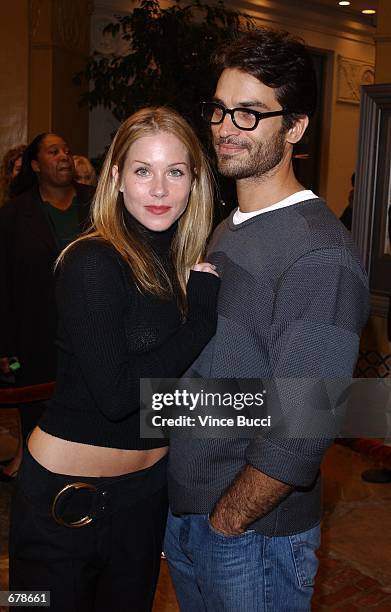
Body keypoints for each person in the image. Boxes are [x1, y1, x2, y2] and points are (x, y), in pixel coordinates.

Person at [165, 28, 370, 611]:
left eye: (251, 114)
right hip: (192, 514)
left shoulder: (318, 251)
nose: (227, 127)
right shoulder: (230, 227)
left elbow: (304, 422)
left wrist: (226, 520)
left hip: (253, 535)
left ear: (296, 128)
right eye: (221, 109)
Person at [9, 107, 220, 612]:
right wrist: (201, 323)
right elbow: (119, 396)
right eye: (143, 170)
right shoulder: (92, 260)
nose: (159, 189)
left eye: (175, 172)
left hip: (143, 499)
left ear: (194, 182)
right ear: (117, 178)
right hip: (61, 504)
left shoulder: (182, 264)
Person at [0, 133, 94, 481]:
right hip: (36, 335)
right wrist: (5, 347)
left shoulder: (97, 202)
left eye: (67, 149)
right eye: (53, 151)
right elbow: (5, 283)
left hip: (92, 329)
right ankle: (40, 481)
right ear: (36, 165)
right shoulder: (14, 215)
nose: (64, 156)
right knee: (39, 417)